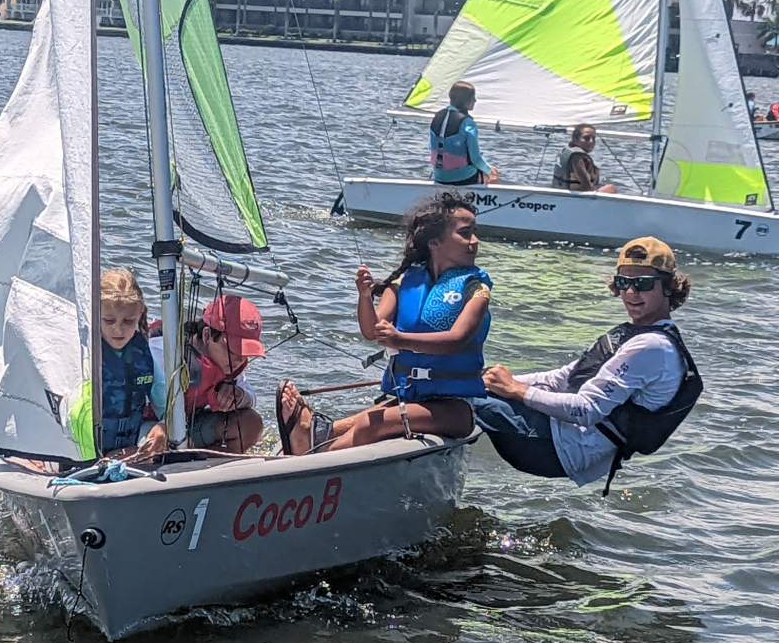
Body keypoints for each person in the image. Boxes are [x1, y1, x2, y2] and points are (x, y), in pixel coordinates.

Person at [467, 236, 701, 494]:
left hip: (559, 449)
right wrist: (491, 379)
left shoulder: (652, 347)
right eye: (624, 283)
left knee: (464, 399)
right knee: (466, 384)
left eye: (643, 284)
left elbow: (586, 410)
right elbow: (564, 377)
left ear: (668, 287)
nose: (632, 293)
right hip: (556, 432)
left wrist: (516, 390)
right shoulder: (634, 334)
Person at [279, 192, 491, 454]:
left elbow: (457, 340)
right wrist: (365, 296)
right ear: (435, 242)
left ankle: (306, 459)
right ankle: (308, 435)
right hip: (413, 398)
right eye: (466, 233)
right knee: (355, 422)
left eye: (474, 232)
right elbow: (372, 330)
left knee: (370, 423)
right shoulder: (403, 283)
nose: (475, 241)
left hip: (456, 409)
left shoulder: (476, 289)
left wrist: (400, 339)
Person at [150, 295, 265, 454]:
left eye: (246, 353)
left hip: (192, 425)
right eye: (233, 350)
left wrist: (239, 396)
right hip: (154, 427)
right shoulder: (163, 352)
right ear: (206, 335)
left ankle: (204, 460)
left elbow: (251, 397)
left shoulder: (231, 364)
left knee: (251, 424)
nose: (239, 360)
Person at [97, 268, 167, 458]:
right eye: (109, 320)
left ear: (140, 315)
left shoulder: (145, 355)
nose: (118, 329)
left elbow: (166, 408)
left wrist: (163, 426)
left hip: (127, 449)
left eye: (128, 321)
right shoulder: (85, 355)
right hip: (85, 453)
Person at [429, 81, 498, 186]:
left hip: (439, 176)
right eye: (473, 97)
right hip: (463, 178)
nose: (475, 100)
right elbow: (475, 158)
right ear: (466, 101)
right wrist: (489, 171)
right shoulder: (468, 123)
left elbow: (433, 147)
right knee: (492, 174)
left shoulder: (437, 117)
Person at [550, 124, 617, 194]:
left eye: (593, 138)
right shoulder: (577, 157)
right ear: (575, 139)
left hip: (560, 192)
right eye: (586, 138)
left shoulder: (567, 150)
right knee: (611, 188)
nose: (591, 141)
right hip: (575, 197)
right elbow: (587, 187)